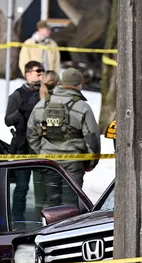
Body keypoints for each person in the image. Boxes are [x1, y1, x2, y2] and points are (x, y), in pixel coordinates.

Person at [27, 67, 101, 205]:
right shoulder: (82, 107)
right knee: (71, 204)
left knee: (51, 204)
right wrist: (90, 162)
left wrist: (42, 153)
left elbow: (31, 133)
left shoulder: (42, 104)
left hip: (49, 162)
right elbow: (92, 138)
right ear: (79, 85)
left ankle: (52, 227)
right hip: (73, 162)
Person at [5, 60, 43, 222]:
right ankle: (17, 220)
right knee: (22, 187)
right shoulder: (17, 95)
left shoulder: (45, 93)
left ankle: (43, 219)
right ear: (28, 74)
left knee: (43, 189)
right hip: (22, 146)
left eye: (43, 72)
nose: (41, 75)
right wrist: (20, 112)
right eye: (38, 72)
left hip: (41, 146)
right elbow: (7, 120)